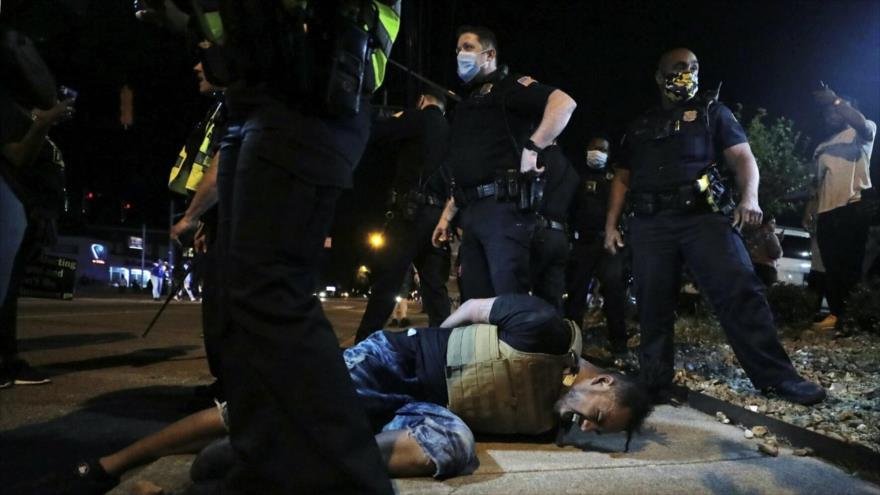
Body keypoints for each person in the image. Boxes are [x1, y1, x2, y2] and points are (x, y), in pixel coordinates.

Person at [137, 1, 401, 493]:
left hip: (307, 92)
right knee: (242, 297)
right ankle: (265, 461)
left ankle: (355, 478)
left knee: (271, 293)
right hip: (257, 94)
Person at [60, 295, 652, 494]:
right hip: (395, 362)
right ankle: (108, 466)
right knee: (257, 408)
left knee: (453, 450)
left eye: (600, 431)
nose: (590, 429)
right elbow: (472, 308)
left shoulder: (553, 421)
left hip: (430, 409)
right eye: (601, 416)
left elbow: (469, 425)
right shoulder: (546, 331)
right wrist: (429, 346)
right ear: (598, 381)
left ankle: (281, 459)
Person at [604, 48, 825, 406]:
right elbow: (622, 178)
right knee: (652, 304)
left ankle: (778, 379)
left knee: (740, 291)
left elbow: (743, 158)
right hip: (651, 223)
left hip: (703, 219)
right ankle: (654, 381)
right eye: (679, 67)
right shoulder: (639, 125)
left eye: (693, 67)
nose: (687, 73)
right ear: (659, 76)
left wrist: (749, 199)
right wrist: (610, 225)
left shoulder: (712, 112)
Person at [432, 25, 577, 301]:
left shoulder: (510, 86)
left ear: (489, 55)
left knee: (508, 300)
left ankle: (519, 345)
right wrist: (446, 216)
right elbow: (468, 167)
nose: (461, 54)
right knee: (474, 301)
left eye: (468, 47)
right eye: (458, 49)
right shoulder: (467, 104)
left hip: (503, 210)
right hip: (471, 212)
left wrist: (533, 147)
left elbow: (563, 102)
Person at [0, 26, 75, 387]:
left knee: (10, 288)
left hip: (28, 207)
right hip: (13, 206)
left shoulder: (17, 106)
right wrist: (42, 124)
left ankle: (8, 357)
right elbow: (16, 157)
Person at [354, 90, 451, 342]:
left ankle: (362, 344)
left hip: (410, 214)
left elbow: (379, 134)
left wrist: (394, 116)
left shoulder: (418, 118)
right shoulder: (451, 132)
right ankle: (445, 351)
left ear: (422, 101)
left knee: (388, 282)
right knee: (435, 290)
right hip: (439, 218)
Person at [810, 86, 876, 330]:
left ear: (850, 110)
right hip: (826, 212)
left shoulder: (861, 131)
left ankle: (854, 318)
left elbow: (859, 122)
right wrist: (810, 208)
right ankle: (837, 315)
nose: (832, 114)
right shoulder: (821, 146)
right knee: (831, 266)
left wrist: (836, 100)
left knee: (850, 265)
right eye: (828, 111)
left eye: (836, 110)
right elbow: (816, 183)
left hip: (853, 205)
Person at [564, 136, 629, 352]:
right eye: (594, 148)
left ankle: (619, 344)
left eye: (602, 149)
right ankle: (573, 342)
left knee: (614, 291)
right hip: (582, 242)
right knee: (576, 293)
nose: (598, 152)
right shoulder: (577, 178)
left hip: (608, 244)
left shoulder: (614, 180)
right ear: (587, 150)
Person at [529, 143, 580, 312]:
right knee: (552, 298)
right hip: (560, 237)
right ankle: (553, 336)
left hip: (538, 233)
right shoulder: (571, 170)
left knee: (519, 291)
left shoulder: (539, 159)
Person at [744, 216, 783, 286]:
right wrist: (779, 246)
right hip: (767, 269)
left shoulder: (753, 234)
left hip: (753, 267)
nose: (775, 225)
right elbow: (775, 253)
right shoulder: (771, 235)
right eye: (772, 223)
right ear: (765, 224)